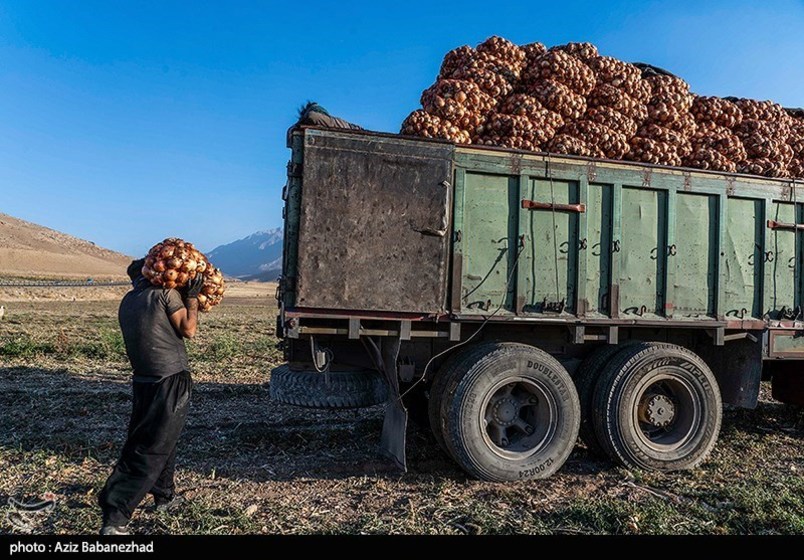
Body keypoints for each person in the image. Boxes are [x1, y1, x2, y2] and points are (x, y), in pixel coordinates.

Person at [97, 258, 205, 535]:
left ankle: (164, 495)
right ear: (157, 276)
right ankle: (115, 514)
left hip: (143, 381)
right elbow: (189, 330)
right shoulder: (165, 295)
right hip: (169, 379)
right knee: (151, 447)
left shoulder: (128, 300)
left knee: (161, 438)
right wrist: (191, 298)